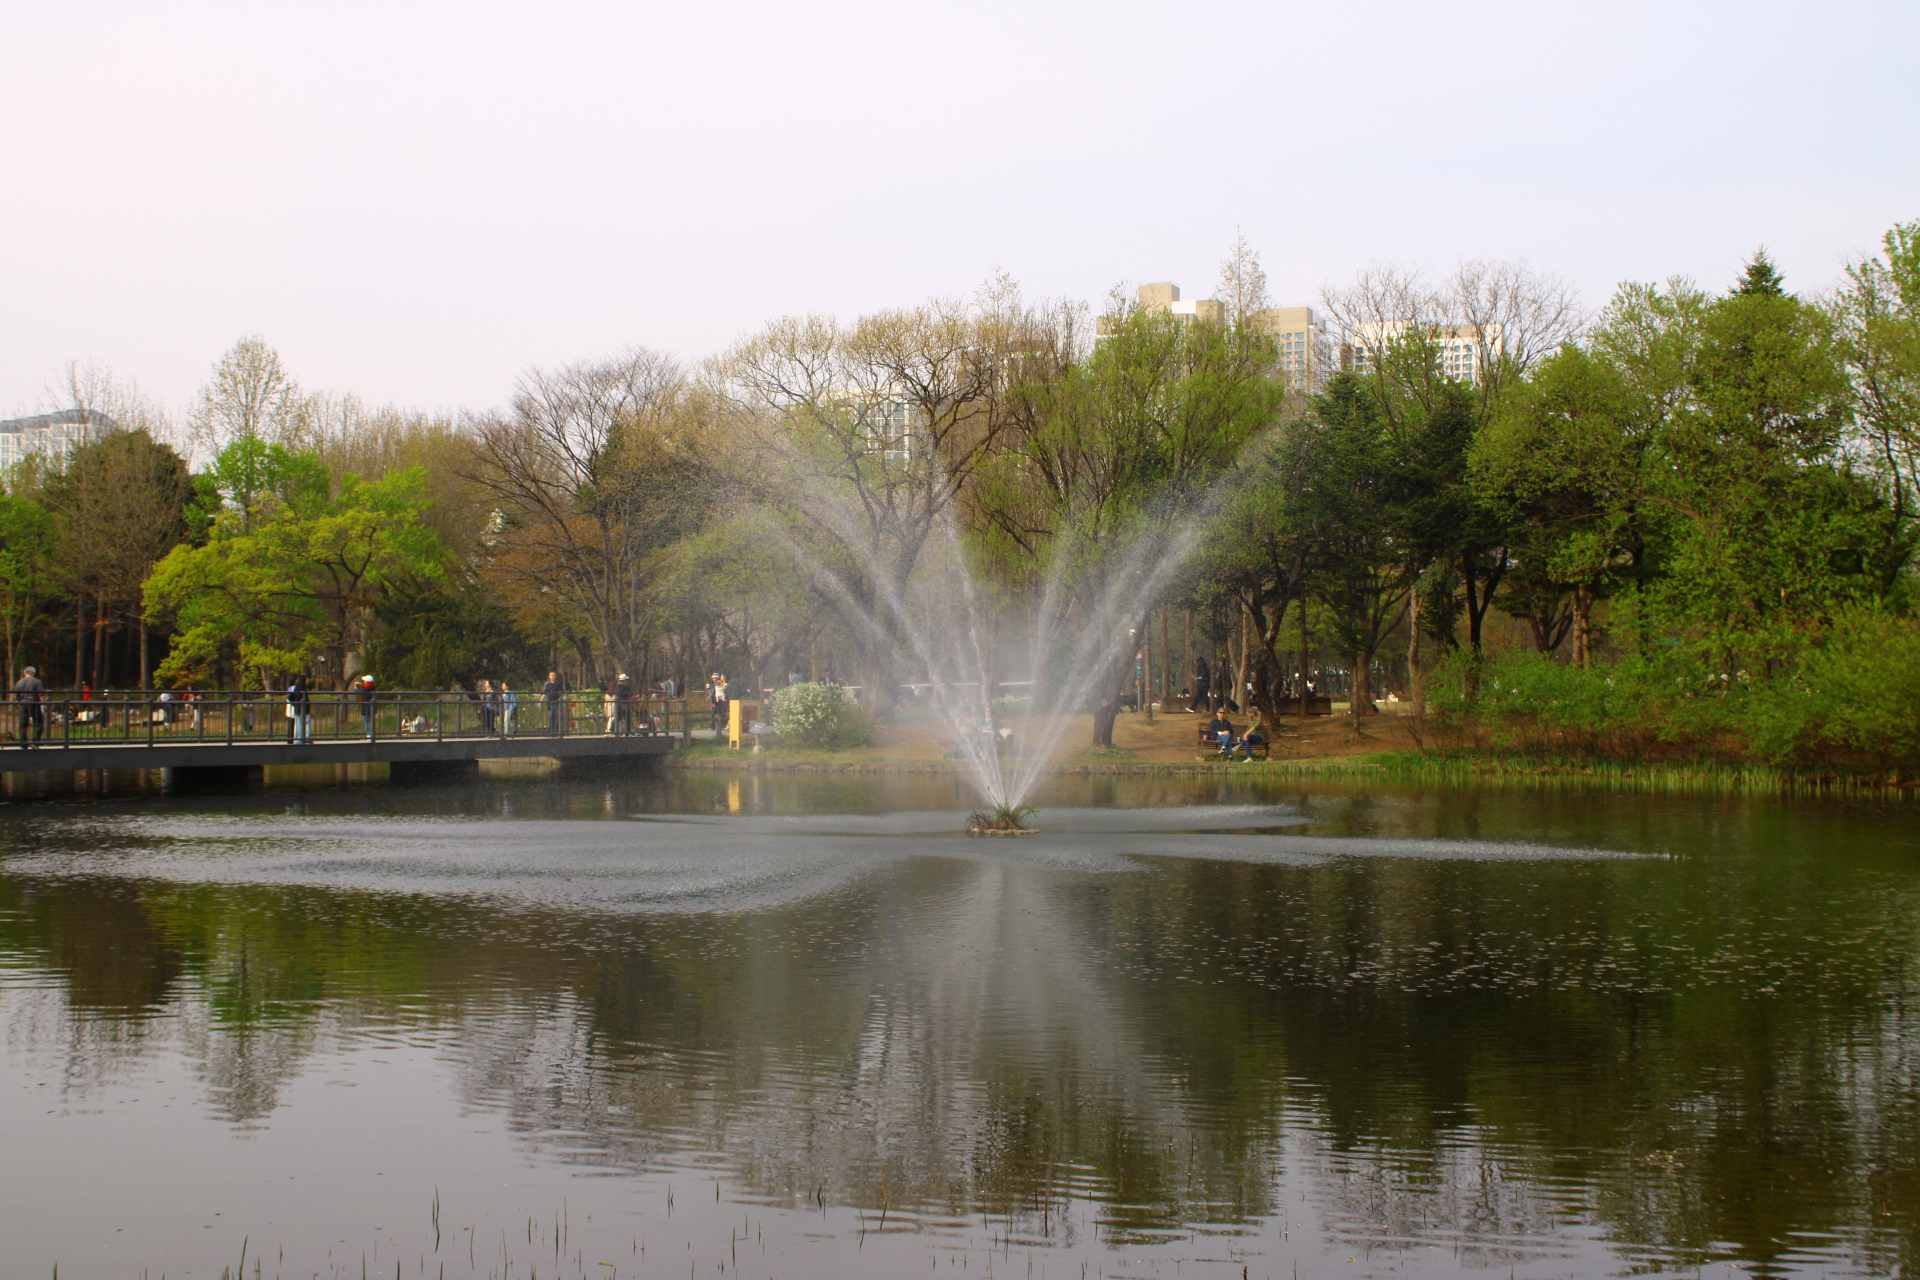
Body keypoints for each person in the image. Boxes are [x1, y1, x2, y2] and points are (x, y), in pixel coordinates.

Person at [13, 666, 45, 748]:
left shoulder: (19, 682)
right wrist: (43, 703)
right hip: (34, 702)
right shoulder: (37, 681)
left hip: (23, 703)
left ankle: (23, 743)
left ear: (24, 674)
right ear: (33, 673)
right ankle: (35, 741)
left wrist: (19, 702)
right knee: (38, 722)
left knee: (23, 723)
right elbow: (41, 694)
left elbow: (16, 696)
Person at [287, 675, 312, 744]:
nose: (307, 681)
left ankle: (299, 739)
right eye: (306, 680)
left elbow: (290, 697)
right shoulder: (302, 688)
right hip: (303, 709)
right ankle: (304, 738)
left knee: (299, 724)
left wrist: (295, 704)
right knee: (303, 723)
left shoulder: (297, 688)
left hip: (299, 709)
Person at [542, 671, 564, 735]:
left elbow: (561, 692)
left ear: (555, 676)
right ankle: (553, 728)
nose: (552, 676)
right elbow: (545, 692)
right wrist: (540, 701)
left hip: (555, 701)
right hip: (549, 701)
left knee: (552, 715)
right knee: (550, 715)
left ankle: (551, 729)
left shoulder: (558, 684)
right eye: (551, 675)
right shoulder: (547, 684)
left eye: (554, 675)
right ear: (549, 676)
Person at [358, 674, 377, 739]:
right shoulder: (372, 687)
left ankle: (369, 734)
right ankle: (372, 733)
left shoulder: (367, 688)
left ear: (366, 681)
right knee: (371, 721)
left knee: (366, 721)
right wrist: (361, 685)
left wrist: (356, 688)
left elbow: (360, 691)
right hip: (371, 707)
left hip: (366, 707)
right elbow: (364, 688)